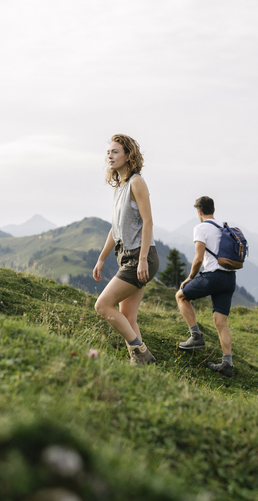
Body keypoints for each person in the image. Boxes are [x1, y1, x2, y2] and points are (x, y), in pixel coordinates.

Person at [93, 134, 160, 365]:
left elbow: (148, 221)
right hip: (127, 257)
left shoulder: (136, 182)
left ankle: (140, 353)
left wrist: (142, 259)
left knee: (102, 305)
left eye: (115, 152)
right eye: (108, 152)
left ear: (128, 156)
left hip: (140, 257)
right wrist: (101, 258)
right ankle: (142, 365)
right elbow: (116, 228)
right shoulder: (119, 188)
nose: (109, 156)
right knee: (129, 317)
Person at [175, 196, 237, 378]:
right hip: (229, 278)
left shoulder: (200, 228)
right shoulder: (224, 227)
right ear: (213, 210)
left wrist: (190, 277)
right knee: (221, 322)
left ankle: (195, 337)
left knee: (181, 296)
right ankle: (227, 363)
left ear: (199, 212)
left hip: (213, 276)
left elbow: (199, 258)